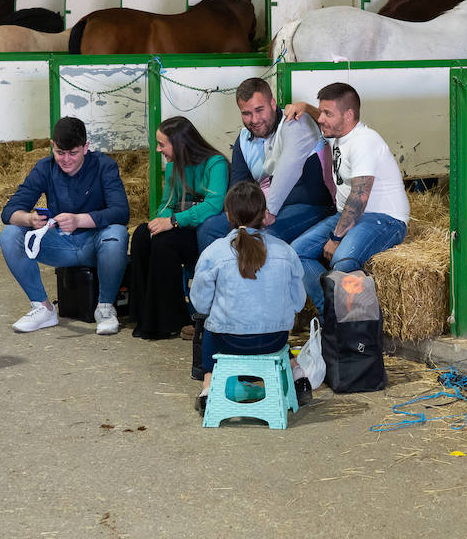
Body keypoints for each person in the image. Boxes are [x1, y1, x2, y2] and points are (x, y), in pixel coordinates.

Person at [0, 116, 130, 336]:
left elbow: (121, 212)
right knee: (10, 234)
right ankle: (43, 307)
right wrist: (29, 219)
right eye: (60, 153)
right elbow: (9, 211)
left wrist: (80, 220)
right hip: (59, 243)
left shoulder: (104, 165)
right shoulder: (45, 167)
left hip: (95, 243)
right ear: (52, 146)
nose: (66, 159)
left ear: (86, 147)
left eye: (73, 153)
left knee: (116, 233)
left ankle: (105, 307)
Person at [287, 83, 409, 314]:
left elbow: (360, 196)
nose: (321, 119)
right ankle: (330, 317)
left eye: (327, 113)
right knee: (296, 253)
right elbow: (322, 118)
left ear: (349, 115)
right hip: (349, 216)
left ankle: (352, 328)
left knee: (342, 262)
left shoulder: (364, 141)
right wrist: (305, 107)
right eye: (321, 112)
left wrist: (336, 238)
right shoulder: (339, 134)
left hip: (384, 219)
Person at [189, 181, 308, 413]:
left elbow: (200, 304)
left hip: (230, 343)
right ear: (265, 215)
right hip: (274, 340)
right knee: (275, 323)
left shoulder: (214, 251)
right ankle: (298, 375)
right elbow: (298, 302)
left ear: (227, 216)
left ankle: (208, 387)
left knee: (208, 324)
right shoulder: (286, 250)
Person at [195, 77, 334, 251]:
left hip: (309, 206)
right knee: (209, 228)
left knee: (261, 237)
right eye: (246, 113)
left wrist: (269, 211)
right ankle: (216, 276)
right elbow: (239, 186)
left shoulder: (295, 122)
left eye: (260, 110)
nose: (254, 119)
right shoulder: (244, 139)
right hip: (263, 209)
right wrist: (233, 210)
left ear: (273, 104)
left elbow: (289, 167)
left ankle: (251, 277)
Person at [127, 116, 227, 338]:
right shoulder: (174, 166)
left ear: (180, 144)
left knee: (164, 242)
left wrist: (172, 222)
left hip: (202, 231)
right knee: (143, 234)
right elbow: (167, 203)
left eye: (162, 144)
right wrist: (159, 222)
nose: (158, 150)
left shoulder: (216, 163)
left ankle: (169, 320)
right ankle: (145, 315)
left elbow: (213, 205)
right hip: (181, 226)